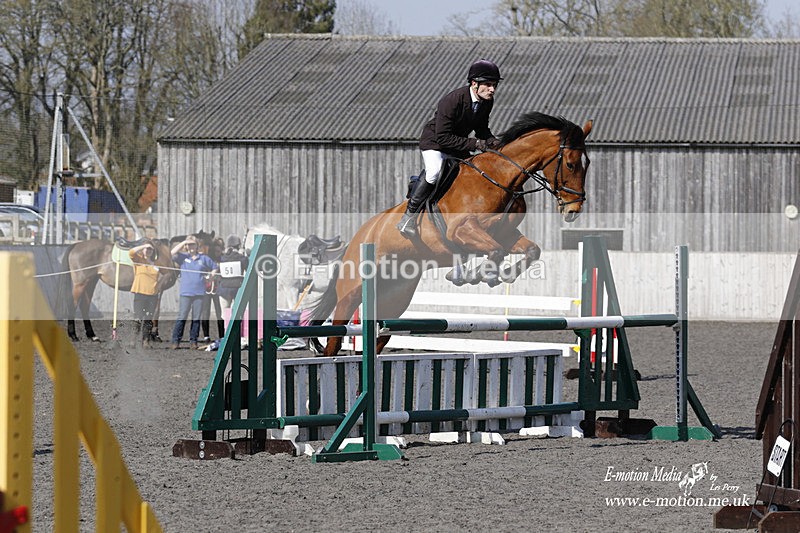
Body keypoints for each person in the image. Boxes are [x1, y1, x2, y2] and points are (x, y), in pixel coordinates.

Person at [397, 59, 503, 238]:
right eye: (488, 85)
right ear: (474, 83)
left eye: (494, 85)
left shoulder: (486, 102)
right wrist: (476, 144)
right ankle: (409, 216)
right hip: (435, 143)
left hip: (457, 144)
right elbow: (443, 137)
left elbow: (482, 129)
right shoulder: (452, 100)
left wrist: (495, 143)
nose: (492, 89)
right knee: (434, 171)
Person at [170, 235, 218, 349]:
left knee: (196, 318)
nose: (191, 246)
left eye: (193, 244)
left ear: (197, 245)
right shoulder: (182, 257)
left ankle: (193, 340)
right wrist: (184, 242)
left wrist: (211, 276)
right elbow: (172, 253)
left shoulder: (204, 258)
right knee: (182, 316)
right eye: (189, 244)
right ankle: (176, 340)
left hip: (199, 293)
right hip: (186, 292)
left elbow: (214, 267)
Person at [128, 241, 160, 348]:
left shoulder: (156, 264)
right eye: (147, 249)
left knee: (148, 318)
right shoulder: (139, 260)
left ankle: (145, 340)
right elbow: (131, 252)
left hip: (152, 294)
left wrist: (159, 285)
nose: (148, 250)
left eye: (150, 249)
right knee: (138, 317)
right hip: (140, 293)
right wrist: (144, 246)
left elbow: (167, 273)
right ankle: (133, 340)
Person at [218, 234, 249, 309]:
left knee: (225, 314)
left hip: (224, 288)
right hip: (237, 288)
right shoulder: (241, 258)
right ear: (238, 246)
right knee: (238, 312)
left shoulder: (222, 258)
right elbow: (248, 268)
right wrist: (247, 255)